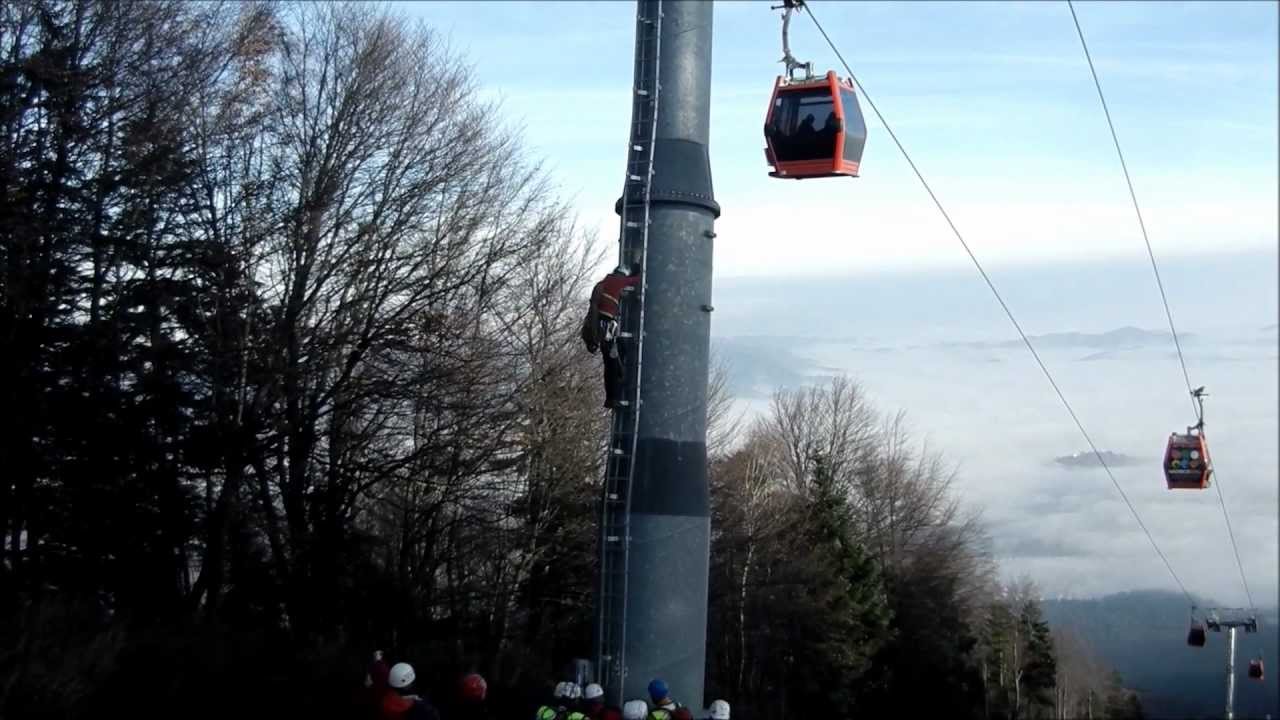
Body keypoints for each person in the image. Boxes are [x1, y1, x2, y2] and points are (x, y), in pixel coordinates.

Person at [582, 263, 641, 409]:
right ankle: (613, 397)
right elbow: (636, 280)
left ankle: (615, 390)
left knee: (612, 360)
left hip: (602, 326)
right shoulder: (618, 281)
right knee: (611, 362)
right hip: (606, 325)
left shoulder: (604, 283)